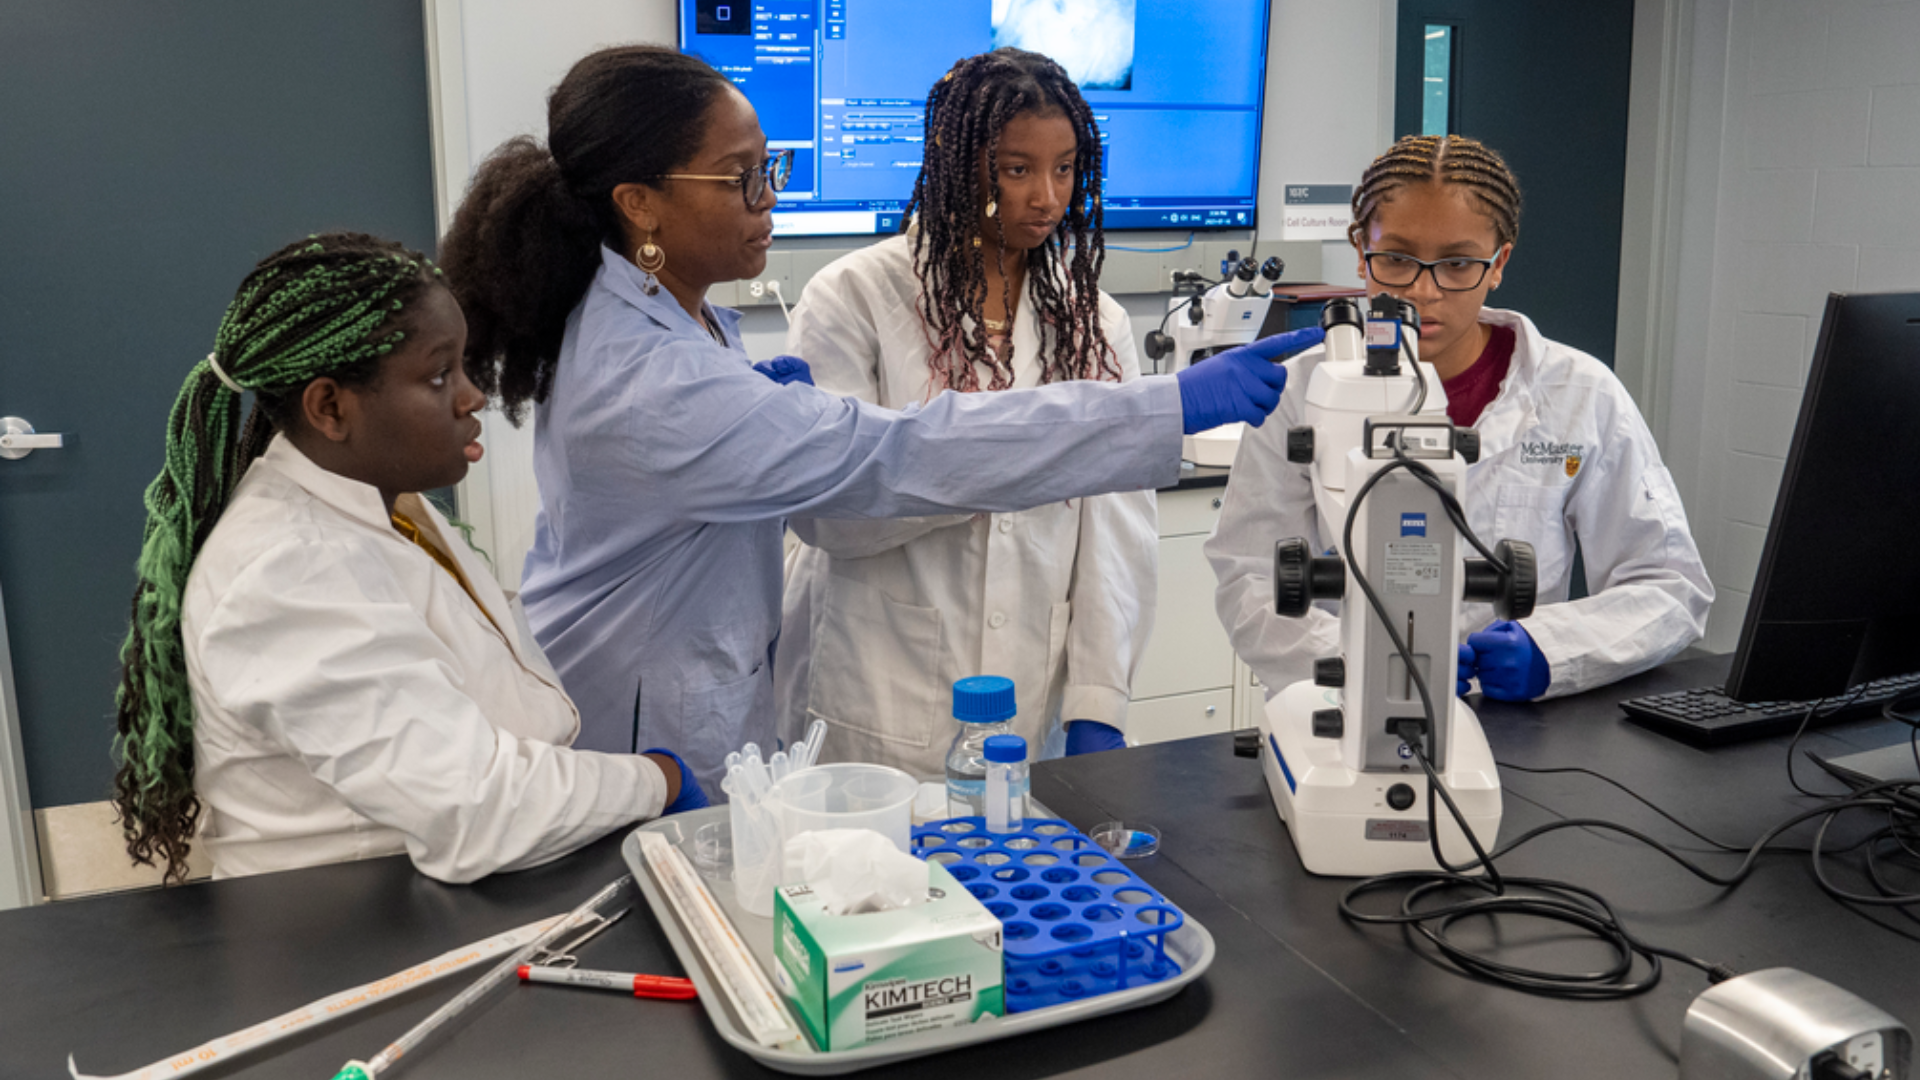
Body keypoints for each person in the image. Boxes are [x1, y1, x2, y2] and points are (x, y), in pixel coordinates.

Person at [436, 45, 1316, 791]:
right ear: (639, 202)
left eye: (768, 169)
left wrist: (1098, 701)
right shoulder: (658, 366)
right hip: (682, 722)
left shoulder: (673, 319)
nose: (769, 197)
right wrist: (1160, 408)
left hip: (724, 707)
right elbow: (888, 461)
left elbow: (1095, 532)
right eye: (744, 179)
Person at [110, 233, 707, 886]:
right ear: (331, 407)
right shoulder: (287, 569)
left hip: (431, 893)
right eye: (438, 375)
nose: (472, 396)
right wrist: (658, 778)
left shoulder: (386, 508)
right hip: (352, 930)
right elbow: (476, 808)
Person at [1207, 134, 1712, 703]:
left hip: (1512, 721)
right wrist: (1363, 659)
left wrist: (1554, 650)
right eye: (1396, 258)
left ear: (1499, 262)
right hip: (1340, 704)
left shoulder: (1579, 393)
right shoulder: (1300, 389)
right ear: (1360, 249)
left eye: (1457, 264)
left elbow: (1669, 587)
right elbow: (1250, 578)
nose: (1424, 291)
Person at [774, 50, 1148, 774]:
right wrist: (1018, 458)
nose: (1046, 197)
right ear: (956, 159)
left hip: (1024, 696)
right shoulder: (854, 297)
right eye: (1017, 169)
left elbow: (1117, 530)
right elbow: (834, 514)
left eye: (1065, 168)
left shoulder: (1094, 320)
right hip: (874, 684)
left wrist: (1100, 699)